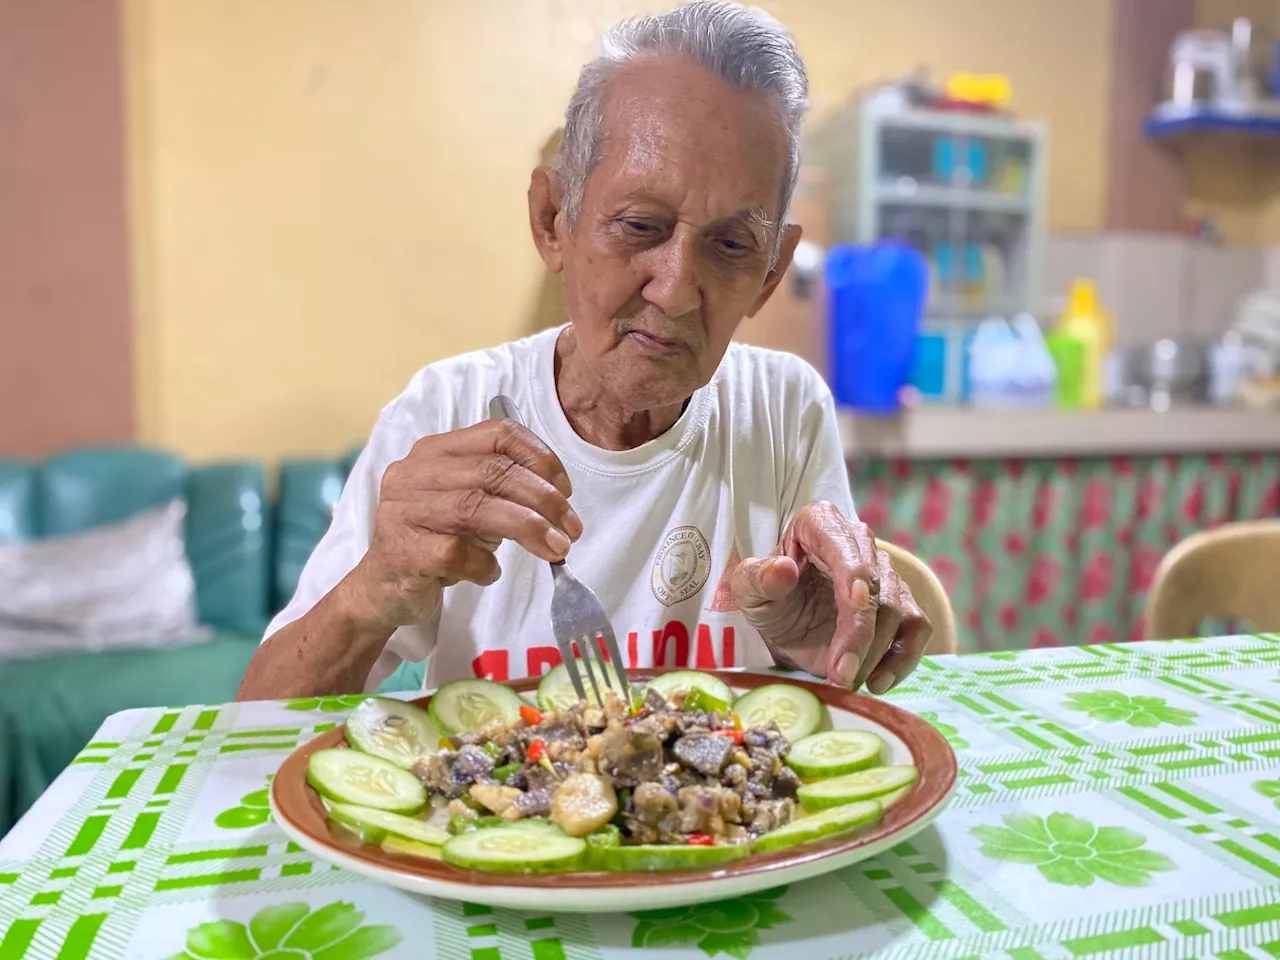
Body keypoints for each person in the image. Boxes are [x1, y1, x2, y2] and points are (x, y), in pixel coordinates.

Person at [237, 0, 932, 703]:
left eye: (730, 245)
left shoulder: (782, 408)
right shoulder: (445, 408)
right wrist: (375, 588)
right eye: (639, 225)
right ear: (552, 222)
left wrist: (818, 647)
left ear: (771, 273)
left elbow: (828, 689)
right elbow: (253, 725)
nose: (675, 291)